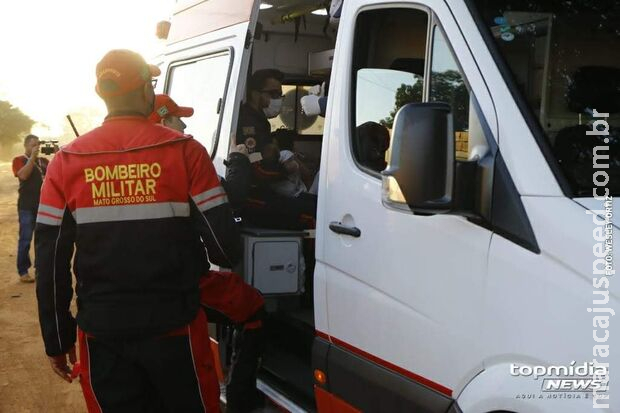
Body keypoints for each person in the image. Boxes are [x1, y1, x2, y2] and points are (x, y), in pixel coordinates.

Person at [35, 49, 241, 413]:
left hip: (102, 333)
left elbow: (50, 262)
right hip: (175, 327)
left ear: (102, 93)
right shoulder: (185, 151)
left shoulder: (66, 162)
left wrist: (57, 338)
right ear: (147, 90)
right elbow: (225, 249)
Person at [149, 94, 267, 412]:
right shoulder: (183, 158)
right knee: (253, 306)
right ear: (161, 121)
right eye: (177, 118)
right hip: (183, 284)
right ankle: (240, 396)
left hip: (126, 292)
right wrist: (239, 158)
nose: (184, 123)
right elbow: (231, 199)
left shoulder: (122, 164)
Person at [12, 134, 49, 283]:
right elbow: (23, 175)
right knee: (25, 240)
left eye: (38, 145)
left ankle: (40, 269)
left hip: (43, 206)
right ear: (26, 146)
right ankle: (23, 271)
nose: (36, 148)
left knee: (43, 240)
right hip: (26, 206)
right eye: (33, 145)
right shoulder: (19, 160)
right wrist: (32, 158)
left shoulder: (44, 161)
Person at [236, 69, 284, 152]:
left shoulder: (261, 119)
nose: (277, 99)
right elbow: (251, 155)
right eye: (273, 93)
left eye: (279, 94)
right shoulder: (246, 120)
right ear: (255, 94)